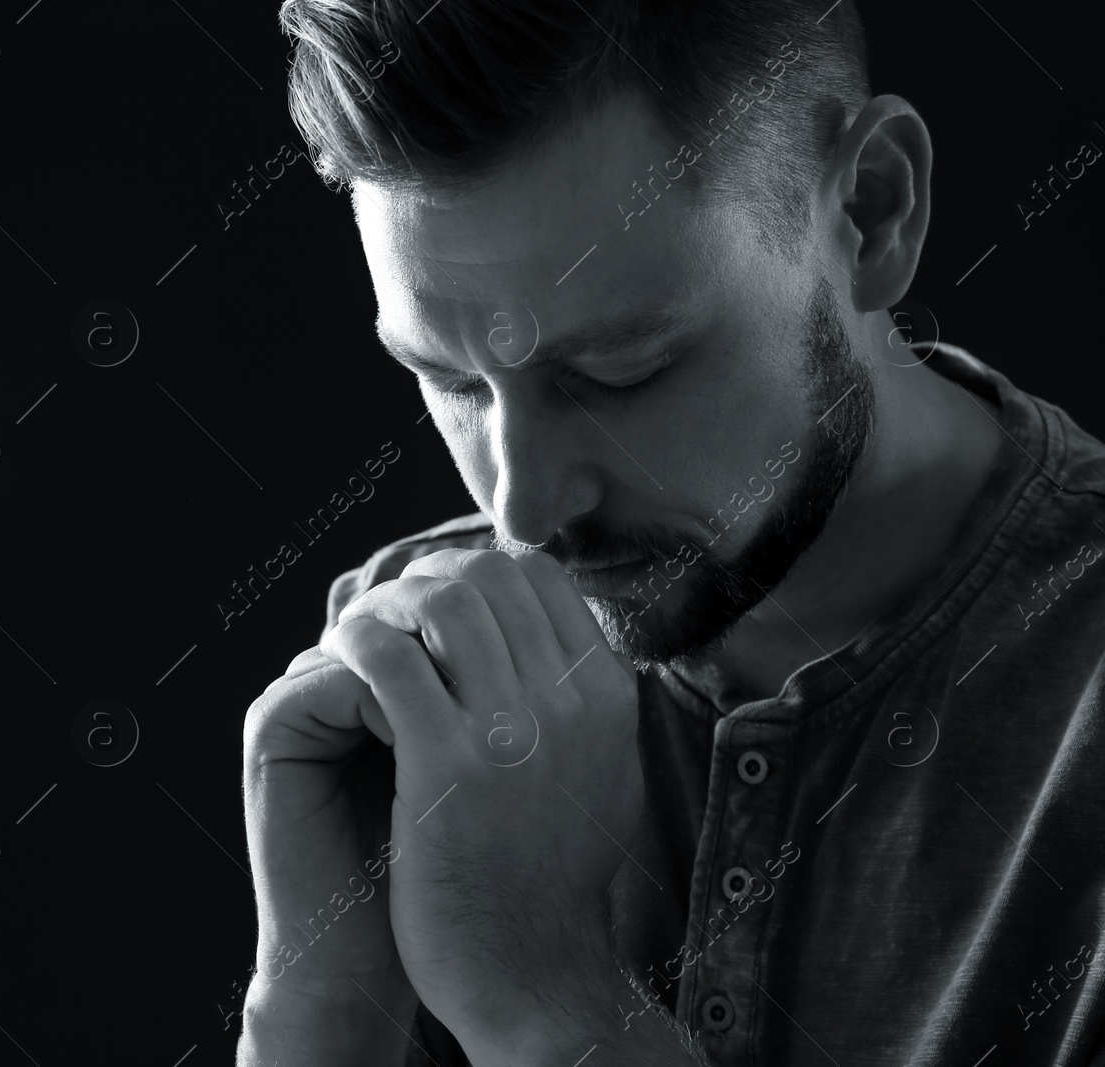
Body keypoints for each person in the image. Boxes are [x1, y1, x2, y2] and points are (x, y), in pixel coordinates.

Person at [236, 1, 1105, 1064]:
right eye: (450, 380)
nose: (521, 510)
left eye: (620, 373)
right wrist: (318, 1006)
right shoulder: (419, 660)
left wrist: (550, 997)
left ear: (870, 215)